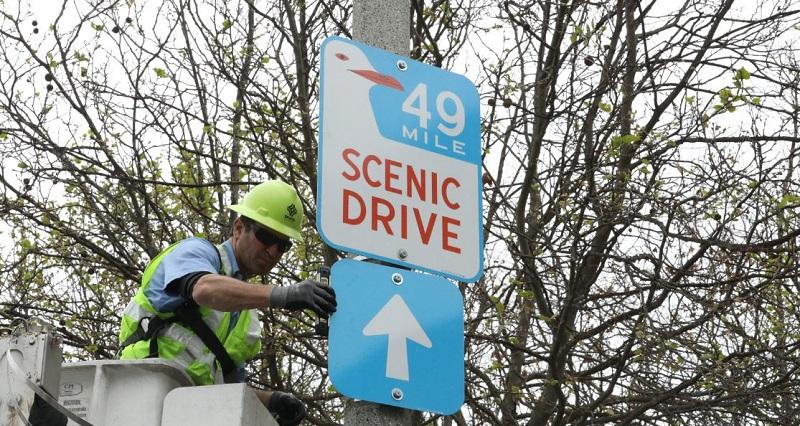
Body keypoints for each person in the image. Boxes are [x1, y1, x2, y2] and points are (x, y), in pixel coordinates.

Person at [116, 180, 336, 426]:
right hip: (143, 395)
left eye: (282, 246)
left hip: (187, 413)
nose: (273, 251)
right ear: (239, 228)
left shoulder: (245, 315)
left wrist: (270, 400)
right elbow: (204, 289)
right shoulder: (197, 252)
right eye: (266, 236)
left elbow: (226, 389)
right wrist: (285, 295)